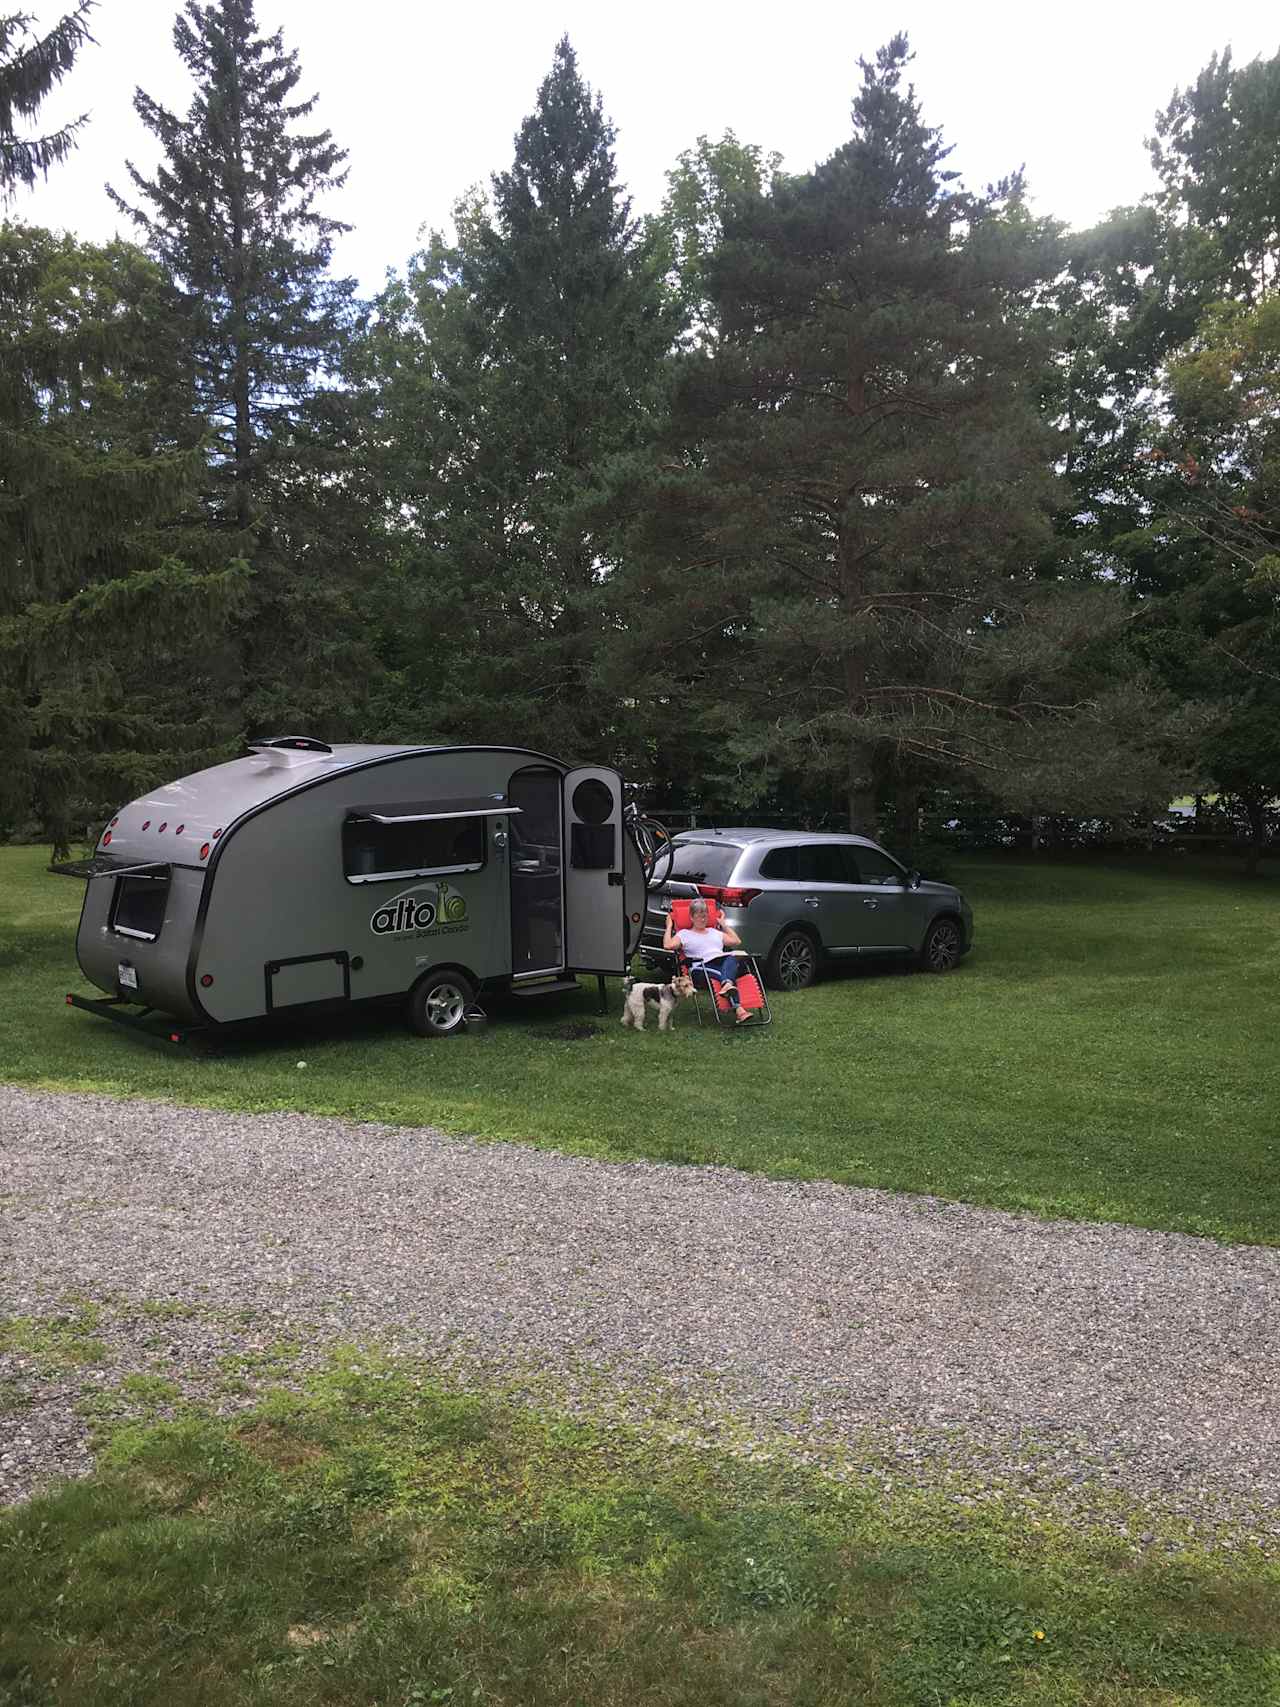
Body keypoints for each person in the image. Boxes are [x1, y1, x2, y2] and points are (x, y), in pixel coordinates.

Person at [663, 896, 751, 1024]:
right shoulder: (684, 934)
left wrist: (724, 925)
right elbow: (667, 945)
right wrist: (669, 926)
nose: (703, 919)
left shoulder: (714, 932)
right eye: (699, 916)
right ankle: (736, 1003)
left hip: (721, 963)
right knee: (724, 975)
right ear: (692, 917)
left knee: (732, 958)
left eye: (705, 915)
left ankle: (734, 1000)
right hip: (700, 968)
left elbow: (736, 941)